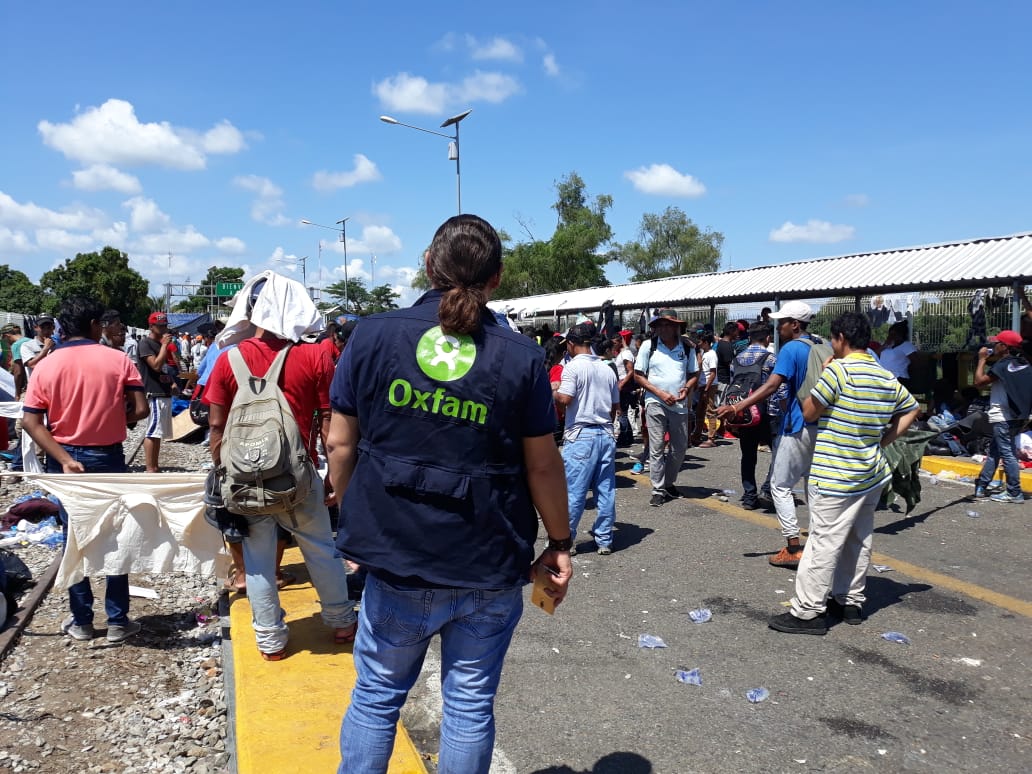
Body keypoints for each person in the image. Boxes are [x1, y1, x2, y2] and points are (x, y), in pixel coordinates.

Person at [327, 214, 572, 774]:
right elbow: (542, 466)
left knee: (376, 698)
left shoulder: (372, 334)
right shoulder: (522, 358)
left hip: (398, 562)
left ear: (427, 265)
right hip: (488, 565)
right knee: (468, 706)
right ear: (498, 279)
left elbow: (340, 445)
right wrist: (560, 542)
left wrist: (347, 510)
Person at [203, 274, 356, 660]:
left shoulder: (227, 360)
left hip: (246, 482)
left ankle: (270, 641)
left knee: (257, 559)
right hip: (300, 478)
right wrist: (335, 478)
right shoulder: (314, 356)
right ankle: (340, 623)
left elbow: (216, 429)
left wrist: (228, 477)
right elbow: (328, 427)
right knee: (321, 548)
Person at [769, 312, 918, 634]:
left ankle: (808, 612)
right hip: (870, 473)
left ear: (840, 339)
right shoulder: (884, 375)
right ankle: (850, 601)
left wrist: (824, 372)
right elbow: (911, 409)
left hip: (835, 473)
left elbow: (810, 411)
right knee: (858, 539)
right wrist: (885, 439)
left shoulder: (838, 370)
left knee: (823, 542)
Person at [21, 296, 150, 643]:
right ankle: (118, 621)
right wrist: (113, 417)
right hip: (107, 458)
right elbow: (140, 409)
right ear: (96, 325)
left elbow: (31, 422)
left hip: (64, 459)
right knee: (115, 536)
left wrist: (63, 458)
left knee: (73, 539)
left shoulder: (46, 365)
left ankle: (81, 621)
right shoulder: (118, 359)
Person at [716, 300, 821, 568]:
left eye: (783, 322)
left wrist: (737, 406)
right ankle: (821, 543)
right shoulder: (821, 346)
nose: (779, 327)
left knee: (780, 485)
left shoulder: (790, 349)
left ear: (795, 325)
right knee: (813, 486)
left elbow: (775, 385)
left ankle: (793, 546)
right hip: (821, 425)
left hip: (796, 423)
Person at [555, 323, 619, 555]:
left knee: (574, 491)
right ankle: (604, 539)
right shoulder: (606, 368)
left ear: (571, 344)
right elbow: (614, 407)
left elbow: (564, 399)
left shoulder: (572, 368)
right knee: (605, 488)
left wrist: (552, 391)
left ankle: (566, 541)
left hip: (581, 434)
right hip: (605, 433)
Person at [634, 310, 698, 506]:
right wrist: (659, 393)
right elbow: (638, 375)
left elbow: (694, 373)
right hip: (655, 402)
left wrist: (687, 389)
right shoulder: (649, 346)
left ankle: (669, 483)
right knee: (657, 446)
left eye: (669, 324)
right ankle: (658, 488)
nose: (664, 328)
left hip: (679, 404)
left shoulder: (687, 348)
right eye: (661, 325)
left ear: (677, 327)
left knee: (679, 448)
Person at [972, 330, 1031, 504]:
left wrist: (982, 359)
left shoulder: (1002, 365)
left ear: (1004, 346)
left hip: (1003, 415)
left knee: (1007, 453)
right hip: (1019, 416)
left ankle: (1014, 492)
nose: (993, 346)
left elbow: (979, 382)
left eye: (997, 343)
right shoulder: (1025, 364)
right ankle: (982, 485)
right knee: (995, 451)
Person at [731, 323, 779, 510]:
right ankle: (767, 488)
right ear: (767, 338)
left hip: (746, 413)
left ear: (750, 337)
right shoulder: (771, 358)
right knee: (778, 453)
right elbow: (777, 388)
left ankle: (749, 496)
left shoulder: (738, 359)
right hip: (767, 413)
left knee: (748, 455)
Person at [135, 312, 176, 473]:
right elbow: (156, 366)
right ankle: (150, 467)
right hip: (153, 392)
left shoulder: (159, 344)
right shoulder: (146, 343)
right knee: (152, 431)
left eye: (165, 325)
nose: (164, 329)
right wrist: (165, 346)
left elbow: (164, 369)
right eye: (160, 326)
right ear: (151, 327)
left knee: (158, 432)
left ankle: (155, 465)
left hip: (163, 391)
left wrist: (172, 382)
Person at [694, 333, 718, 448]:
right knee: (700, 411)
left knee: (710, 410)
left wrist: (707, 387)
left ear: (706, 342)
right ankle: (697, 434)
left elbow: (713, 372)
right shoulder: (705, 354)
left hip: (709, 385)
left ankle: (711, 438)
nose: (699, 344)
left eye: (701, 342)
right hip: (703, 385)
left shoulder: (711, 354)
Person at [879, 320, 918, 389]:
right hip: (884, 377)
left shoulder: (907, 346)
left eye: (893, 335)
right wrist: (884, 345)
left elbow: (916, 362)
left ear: (901, 335)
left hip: (899, 378)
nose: (890, 337)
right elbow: (874, 355)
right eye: (889, 334)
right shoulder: (887, 345)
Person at [20, 314, 57, 382]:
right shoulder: (27, 346)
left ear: (53, 328)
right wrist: (45, 349)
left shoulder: (59, 347)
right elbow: (31, 364)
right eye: (42, 327)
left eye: (49, 327)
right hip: (36, 388)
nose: (46, 331)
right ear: (35, 327)